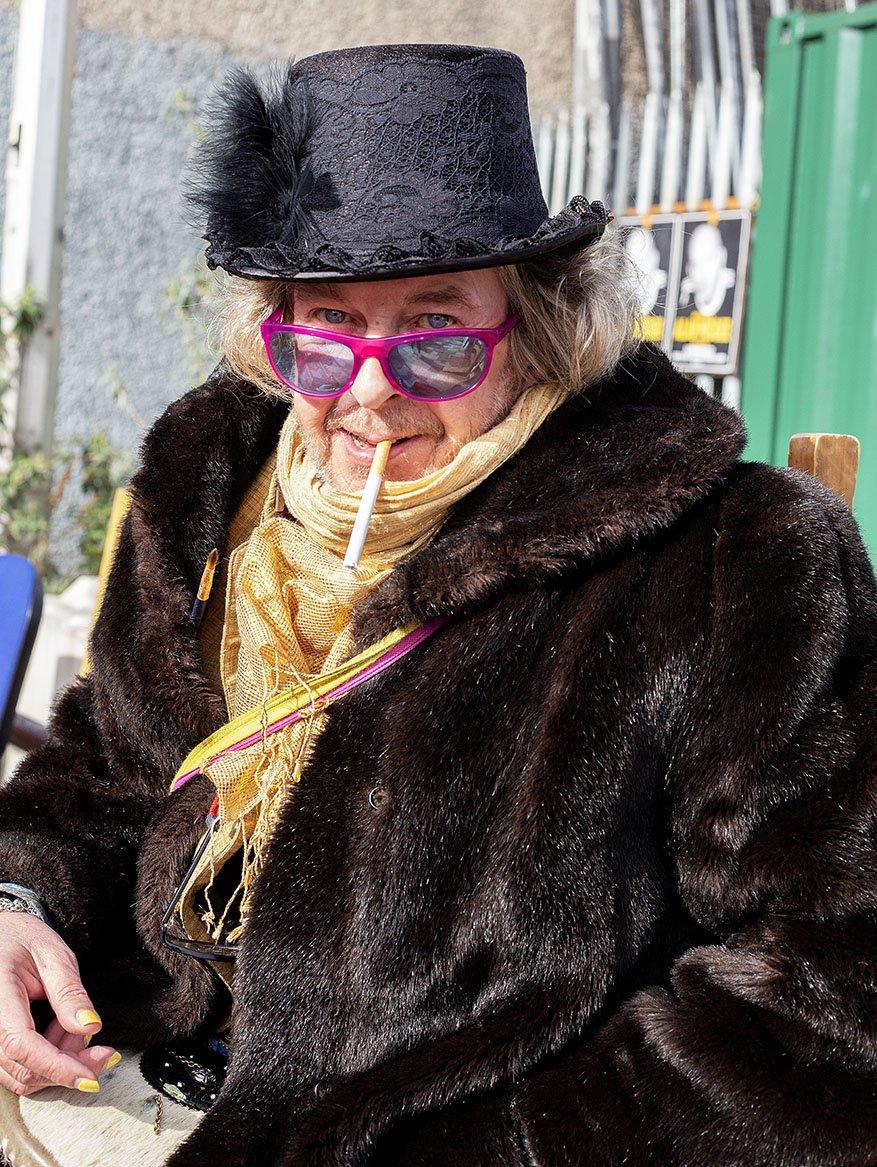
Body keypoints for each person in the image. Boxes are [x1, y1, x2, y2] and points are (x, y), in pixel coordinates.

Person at [0, 43, 875, 1167]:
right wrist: (18, 899)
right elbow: (107, 768)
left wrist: (489, 1146)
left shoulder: (730, 557)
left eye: (438, 336)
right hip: (108, 1071)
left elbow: (837, 983)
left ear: (542, 327)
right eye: (322, 335)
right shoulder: (209, 487)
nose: (369, 394)